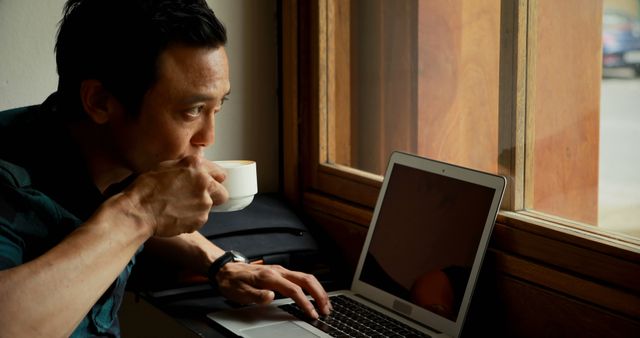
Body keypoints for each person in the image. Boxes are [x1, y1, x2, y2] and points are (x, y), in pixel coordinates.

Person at [0, 0, 331, 336]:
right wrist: (138, 212)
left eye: (216, 107)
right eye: (192, 110)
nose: (208, 137)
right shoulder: (10, 178)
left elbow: (121, 202)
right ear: (100, 101)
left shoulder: (116, 153)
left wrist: (221, 264)